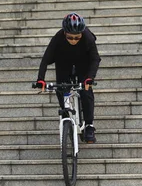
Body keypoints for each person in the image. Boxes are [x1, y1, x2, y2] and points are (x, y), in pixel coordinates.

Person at [36, 12, 101, 143]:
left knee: (85, 91)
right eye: (70, 37)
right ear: (64, 33)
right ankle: (66, 115)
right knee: (61, 87)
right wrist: (40, 79)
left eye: (77, 38)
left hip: (83, 62)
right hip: (63, 62)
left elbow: (95, 59)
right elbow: (45, 59)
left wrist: (90, 78)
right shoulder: (58, 38)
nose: (73, 41)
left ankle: (89, 125)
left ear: (82, 33)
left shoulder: (88, 37)